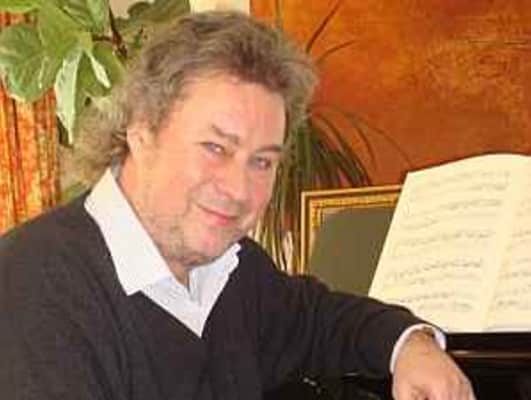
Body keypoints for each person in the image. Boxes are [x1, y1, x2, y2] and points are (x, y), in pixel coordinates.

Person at [0, 10, 474, 400]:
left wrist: (410, 346)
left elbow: (321, 319)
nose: (238, 189)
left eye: (262, 161)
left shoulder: (231, 269)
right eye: (215, 148)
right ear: (141, 132)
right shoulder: (32, 286)